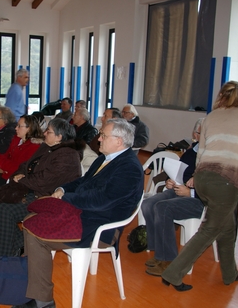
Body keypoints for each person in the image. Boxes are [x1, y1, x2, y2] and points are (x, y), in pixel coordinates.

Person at [15, 119, 144, 308]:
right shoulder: (105, 158)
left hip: (99, 226)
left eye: (103, 135)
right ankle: (32, 286)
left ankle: (43, 300)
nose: (98, 139)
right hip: (84, 215)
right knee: (31, 220)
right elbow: (82, 183)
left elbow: (102, 201)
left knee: (34, 232)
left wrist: (66, 199)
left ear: (119, 141)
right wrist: (62, 189)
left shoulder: (129, 168)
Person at [161, 81, 238, 291]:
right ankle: (173, 273)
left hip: (204, 179)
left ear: (221, 96)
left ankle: (230, 274)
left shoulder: (210, 117)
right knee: (209, 229)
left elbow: (201, 154)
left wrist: (198, 177)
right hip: (226, 181)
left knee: (227, 228)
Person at [0, 118, 84, 263]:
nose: (44, 133)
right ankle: (21, 243)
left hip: (49, 198)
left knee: (5, 210)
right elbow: (26, 164)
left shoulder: (68, 155)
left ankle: (1, 261)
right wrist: (19, 174)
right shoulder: (47, 146)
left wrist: (22, 179)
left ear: (59, 137)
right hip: (33, 189)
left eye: (48, 131)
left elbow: (44, 181)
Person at [142, 118, 205, 276]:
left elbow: (213, 187)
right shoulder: (192, 152)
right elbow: (180, 172)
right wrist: (171, 181)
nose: (199, 136)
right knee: (148, 204)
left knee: (162, 208)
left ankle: (168, 259)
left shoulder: (212, 157)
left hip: (199, 199)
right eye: (198, 133)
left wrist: (190, 192)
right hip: (179, 190)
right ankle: (158, 251)